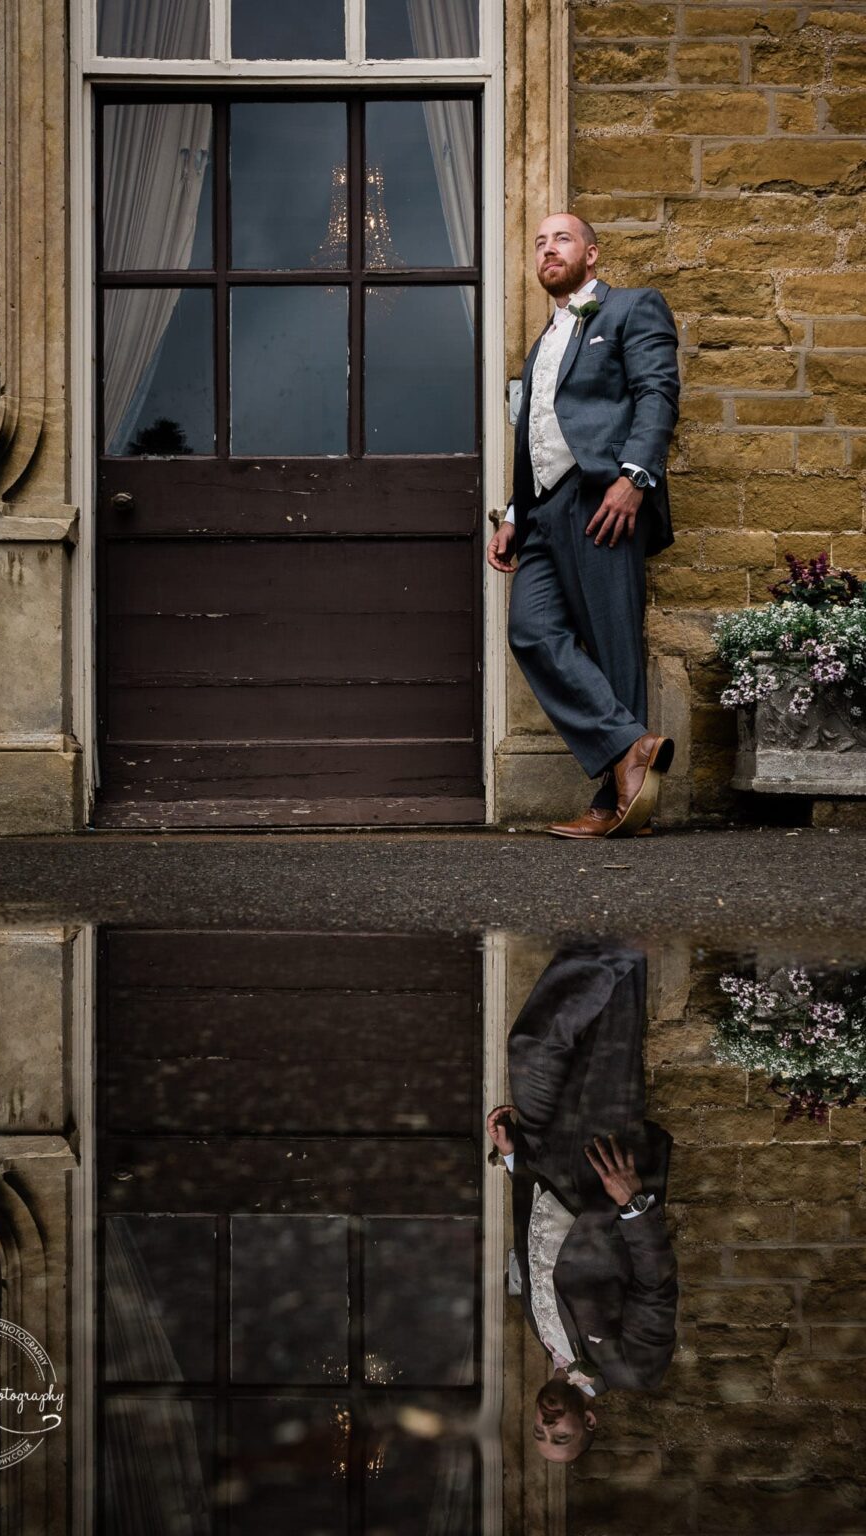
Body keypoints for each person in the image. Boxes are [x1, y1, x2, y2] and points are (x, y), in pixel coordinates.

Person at [486, 213, 681, 838]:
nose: (548, 249)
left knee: (614, 644)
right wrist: (516, 515)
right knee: (531, 630)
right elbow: (534, 437)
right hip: (543, 511)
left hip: (605, 496)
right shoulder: (542, 343)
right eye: (539, 242)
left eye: (561, 239)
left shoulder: (631, 308)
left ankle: (621, 807)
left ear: (591, 255)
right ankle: (632, 749)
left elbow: (658, 394)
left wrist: (635, 479)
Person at [486, 943, 677, 1462]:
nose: (547, 1424)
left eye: (539, 1434)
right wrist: (633, 1203)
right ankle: (626, 936)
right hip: (601, 1173)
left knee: (531, 1047)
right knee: (608, 1043)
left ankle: (606, 941)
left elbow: (534, 1245)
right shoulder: (633, 1369)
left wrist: (512, 1160)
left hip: (544, 1160)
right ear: (588, 1420)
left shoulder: (541, 1337)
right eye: (562, 1435)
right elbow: (656, 1286)